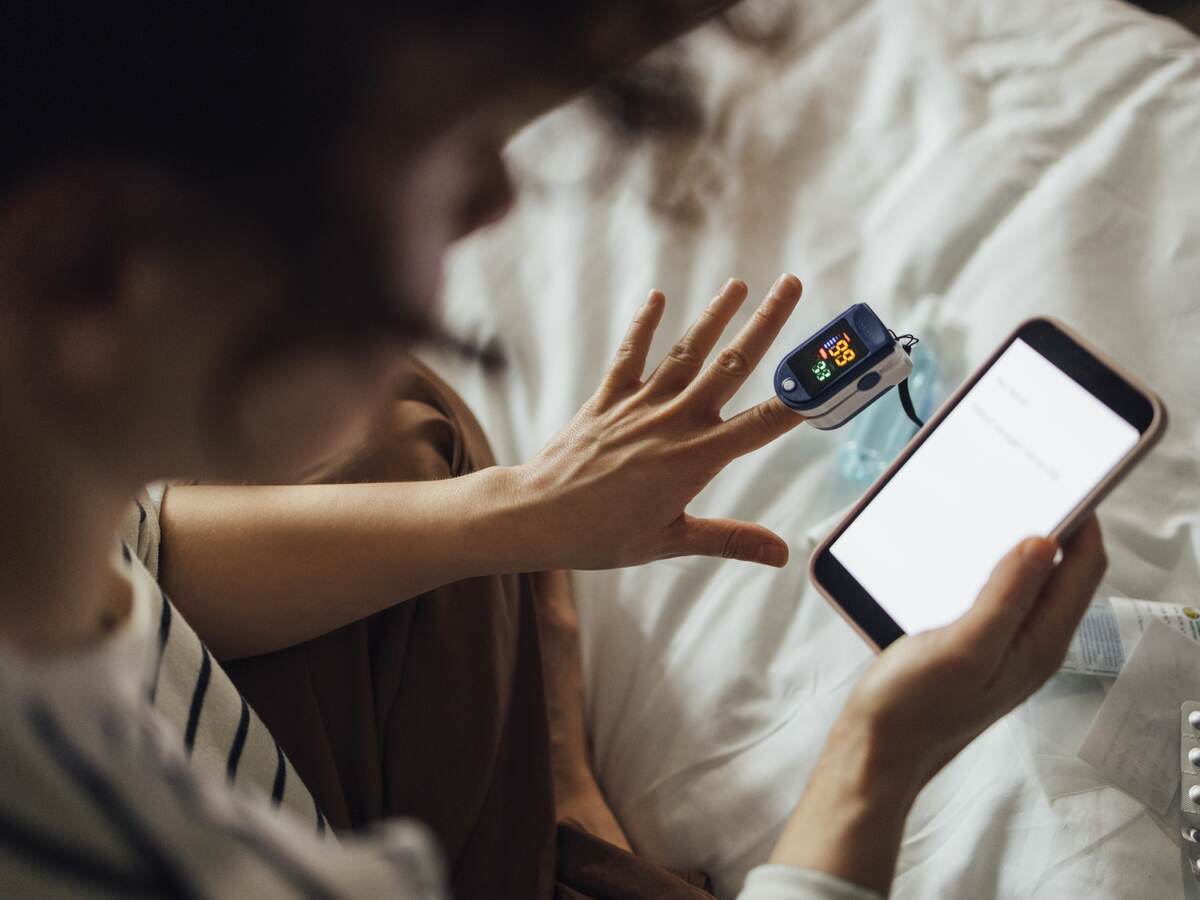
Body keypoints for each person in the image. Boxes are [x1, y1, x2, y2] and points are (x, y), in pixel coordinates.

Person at [0, 3, 1106, 898]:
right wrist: (876, 756)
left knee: (406, 420)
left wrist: (521, 513)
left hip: (210, 732)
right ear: (95, 269)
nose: (495, 202)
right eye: (439, 155)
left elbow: (153, 557)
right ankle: (571, 841)